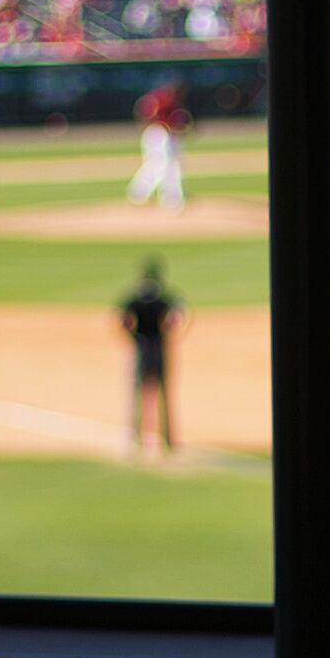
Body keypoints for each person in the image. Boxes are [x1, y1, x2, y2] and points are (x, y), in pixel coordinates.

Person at [116, 258, 184, 457]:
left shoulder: (136, 298)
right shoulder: (164, 298)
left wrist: (133, 337)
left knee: (138, 392)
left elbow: (123, 319)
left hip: (142, 348)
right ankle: (168, 438)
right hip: (159, 347)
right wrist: (167, 334)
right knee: (164, 392)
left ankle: (135, 435)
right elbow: (176, 318)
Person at [127, 80, 190, 211]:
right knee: (160, 165)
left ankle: (166, 196)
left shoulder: (171, 101)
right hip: (158, 134)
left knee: (168, 165)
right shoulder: (162, 99)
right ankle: (142, 193)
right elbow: (148, 115)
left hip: (164, 135)